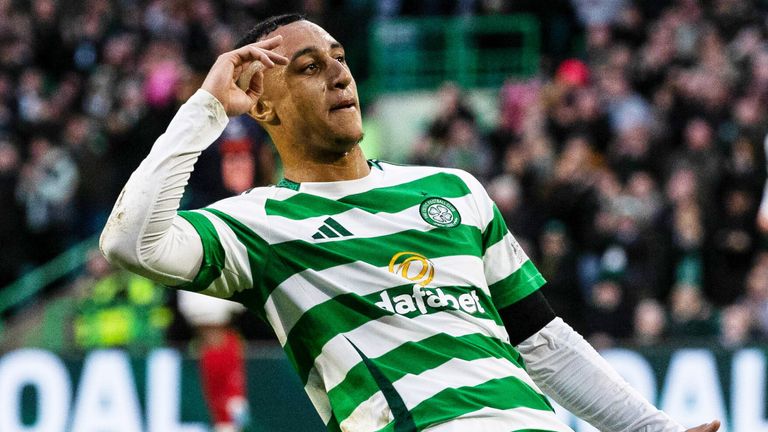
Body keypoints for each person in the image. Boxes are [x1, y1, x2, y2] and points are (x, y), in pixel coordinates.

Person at [100, 13, 720, 432]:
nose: (340, 74)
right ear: (259, 100)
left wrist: (651, 429)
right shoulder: (258, 224)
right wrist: (207, 106)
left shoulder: (452, 190)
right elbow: (130, 241)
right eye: (309, 67)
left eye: (339, 59)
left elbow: (543, 343)